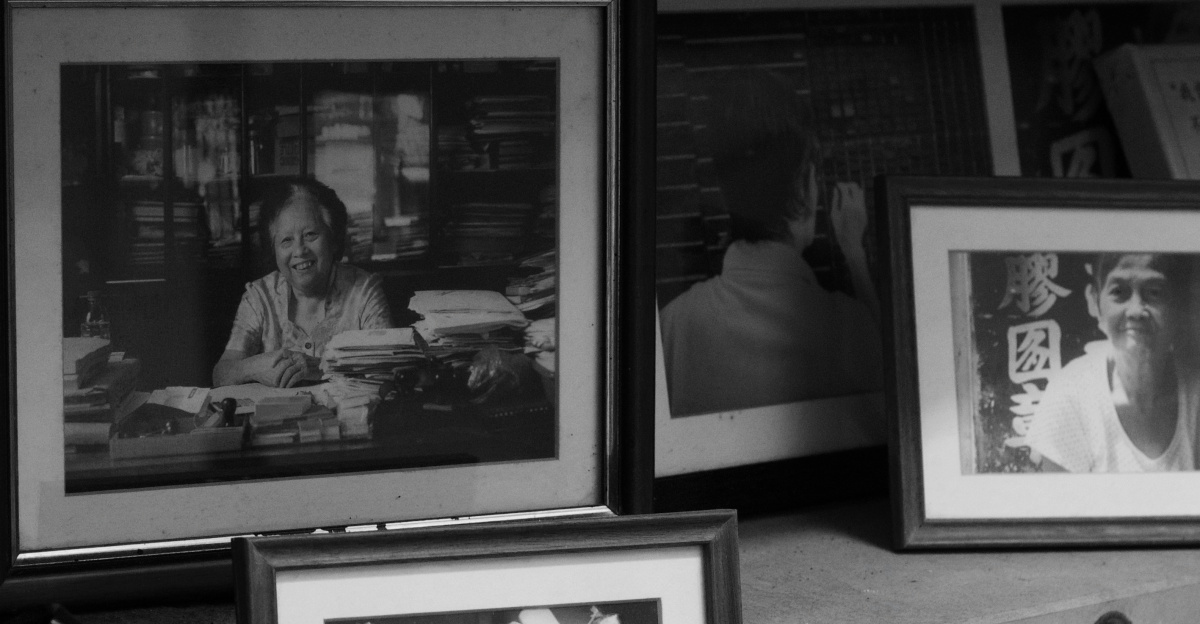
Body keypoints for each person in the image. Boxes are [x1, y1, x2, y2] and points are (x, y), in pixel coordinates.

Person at [659, 69, 883, 416]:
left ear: (725, 191)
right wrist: (855, 255)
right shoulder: (849, 327)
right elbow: (894, 384)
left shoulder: (671, 327)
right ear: (805, 185)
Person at [212, 177, 393, 388]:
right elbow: (220, 376)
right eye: (286, 240)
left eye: (310, 235)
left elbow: (391, 368)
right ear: (274, 251)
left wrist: (322, 367)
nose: (299, 251)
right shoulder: (259, 297)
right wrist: (255, 366)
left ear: (333, 239)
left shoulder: (364, 291)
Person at [1027, 253, 1199, 472]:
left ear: (1177, 305)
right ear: (1094, 301)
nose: (1136, 310)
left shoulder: (1194, 389)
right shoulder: (1070, 394)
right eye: (1119, 292)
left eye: (1154, 293)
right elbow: (1056, 504)